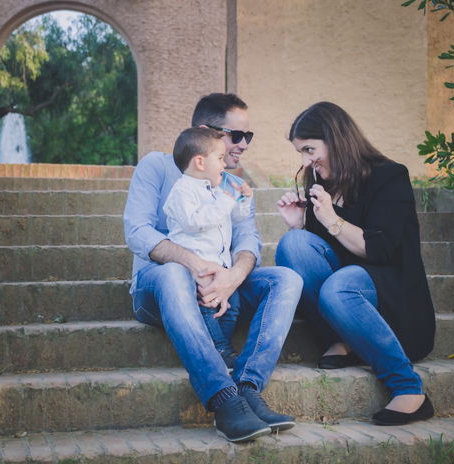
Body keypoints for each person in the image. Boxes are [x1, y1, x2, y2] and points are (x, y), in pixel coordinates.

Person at [124, 93, 302, 442]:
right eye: (236, 136)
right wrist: (193, 263)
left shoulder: (235, 185)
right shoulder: (157, 167)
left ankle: (248, 386)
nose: (243, 145)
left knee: (287, 279)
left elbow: (249, 241)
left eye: (248, 136)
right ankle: (223, 398)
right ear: (206, 133)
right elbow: (138, 232)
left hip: (219, 288)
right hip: (158, 288)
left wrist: (231, 279)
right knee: (176, 272)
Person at [275, 101, 436, 426]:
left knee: (340, 286)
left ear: (335, 139)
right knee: (293, 244)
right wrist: (299, 225)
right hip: (343, 296)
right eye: (301, 154)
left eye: (309, 149)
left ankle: (409, 388)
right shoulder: (320, 180)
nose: (306, 162)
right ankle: (343, 338)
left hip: (392, 300)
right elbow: (323, 255)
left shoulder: (390, 177)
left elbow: (382, 250)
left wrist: (332, 220)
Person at [164, 127, 254, 368]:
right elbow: (194, 222)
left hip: (220, 266)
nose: (224, 165)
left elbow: (232, 219)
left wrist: (242, 201)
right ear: (200, 162)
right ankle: (220, 349)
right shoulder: (182, 191)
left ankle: (220, 346)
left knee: (231, 306)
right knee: (206, 307)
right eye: (220, 158)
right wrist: (226, 199)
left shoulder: (213, 190)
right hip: (197, 269)